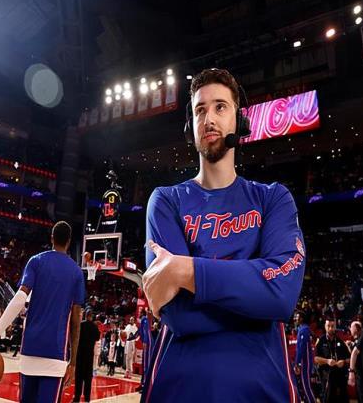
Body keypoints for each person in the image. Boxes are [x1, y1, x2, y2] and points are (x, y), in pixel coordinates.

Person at [142, 68, 305, 402]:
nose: (209, 119)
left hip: (262, 390)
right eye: (200, 110)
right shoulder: (165, 201)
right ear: (190, 126)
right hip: (180, 388)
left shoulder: (273, 198)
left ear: (239, 121)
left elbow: (281, 295)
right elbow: (179, 315)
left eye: (220, 107)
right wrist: (253, 301)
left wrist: (185, 270)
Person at [0, 221, 85, 403]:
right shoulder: (76, 273)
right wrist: (73, 362)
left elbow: (19, 299)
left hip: (30, 351)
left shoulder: (36, 261)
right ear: (69, 241)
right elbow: (75, 321)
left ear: (51, 238)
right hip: (56, 355)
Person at [315, 317, 350, 403]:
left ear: (335, 327)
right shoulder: (320, 341)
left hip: (340, 374)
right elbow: (315, 359)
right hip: (327, 374)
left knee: (343, 398)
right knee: (328, 398)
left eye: (332, 326)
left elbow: (349, 358)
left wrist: (344, 361)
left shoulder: (340, 341)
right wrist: (327, 361)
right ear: (325, 326)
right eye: (328, 326)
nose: (330, 328)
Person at [73, 310, 100, 403]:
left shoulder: (81, 325)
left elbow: (75, 336)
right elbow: (97, 338)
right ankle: (87, 398)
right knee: (88, 378)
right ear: (91, 317)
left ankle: (77, 397)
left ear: (85, 316)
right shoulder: (94, 327)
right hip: (89, 355)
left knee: (79, 377)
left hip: (80, 354)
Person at [293, 311, 316, 403]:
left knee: (306, 386)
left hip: (305, 362)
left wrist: (297, 363)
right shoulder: (302, 329)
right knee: (303, 386)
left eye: (297, 317)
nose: (295, 318)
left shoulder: (304, 330)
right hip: (304, 362)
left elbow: (302, 348)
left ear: (302, 318)